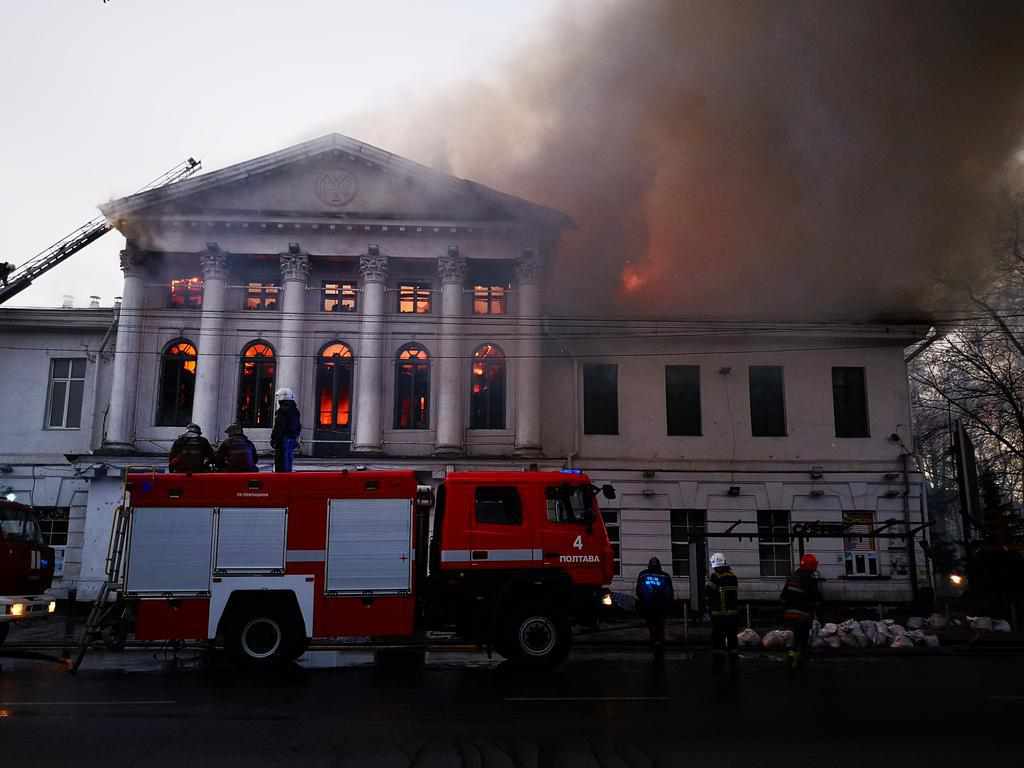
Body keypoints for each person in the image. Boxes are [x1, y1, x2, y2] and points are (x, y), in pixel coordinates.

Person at [781, 553, 822, 673]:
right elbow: (816, 599)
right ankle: (800, 663)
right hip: (802, 616)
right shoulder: (810, 579)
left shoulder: (792, 577)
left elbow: (783, 598)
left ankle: (791, 656)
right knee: (802, 640)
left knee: (793, 639)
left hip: (789, 615)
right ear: (811, 566)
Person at [705, 552, 739, 675]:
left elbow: (708, 592)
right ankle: (733, 662)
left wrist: (707, 582)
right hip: (732, 614)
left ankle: (718, 665)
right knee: (731, 638)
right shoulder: (733, 577)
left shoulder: (715, 577)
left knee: (717, 638)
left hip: (718, 614)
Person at [635, 556, 674, 652]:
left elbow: (639, 590)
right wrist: (668, 603)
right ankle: (659, 641)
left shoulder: (643, 575)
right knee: (660, 624)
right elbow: (669, 592)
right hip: (661, 605)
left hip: (648, 605)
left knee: (651, 623)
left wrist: (643, 600)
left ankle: (653, 640)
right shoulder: (665, 576)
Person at [270, 387, 301, 472]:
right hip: (291, 439)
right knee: (288, 462)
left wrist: (274, 439)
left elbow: (279, 427)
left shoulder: (282, 411)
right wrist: (295, 437)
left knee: (281, 463)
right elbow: (298, 426)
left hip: (283, 440)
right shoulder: (295, 411)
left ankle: (281, 482)